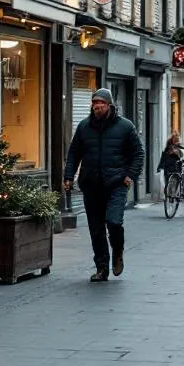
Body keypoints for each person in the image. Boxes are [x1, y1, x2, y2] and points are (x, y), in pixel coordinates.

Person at [64, 89, 145, 282]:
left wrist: (130, 175)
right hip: (91, 184)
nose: (97, 106)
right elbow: (74, 153)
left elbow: (138, 153)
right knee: (96, 229)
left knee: (114, 222)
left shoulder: (125, 126)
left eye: (101, 103)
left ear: (109, 105)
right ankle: (102, 268)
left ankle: (117, 251)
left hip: (116, 183)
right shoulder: (84, 127)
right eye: (94, 103)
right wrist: (68, 176)